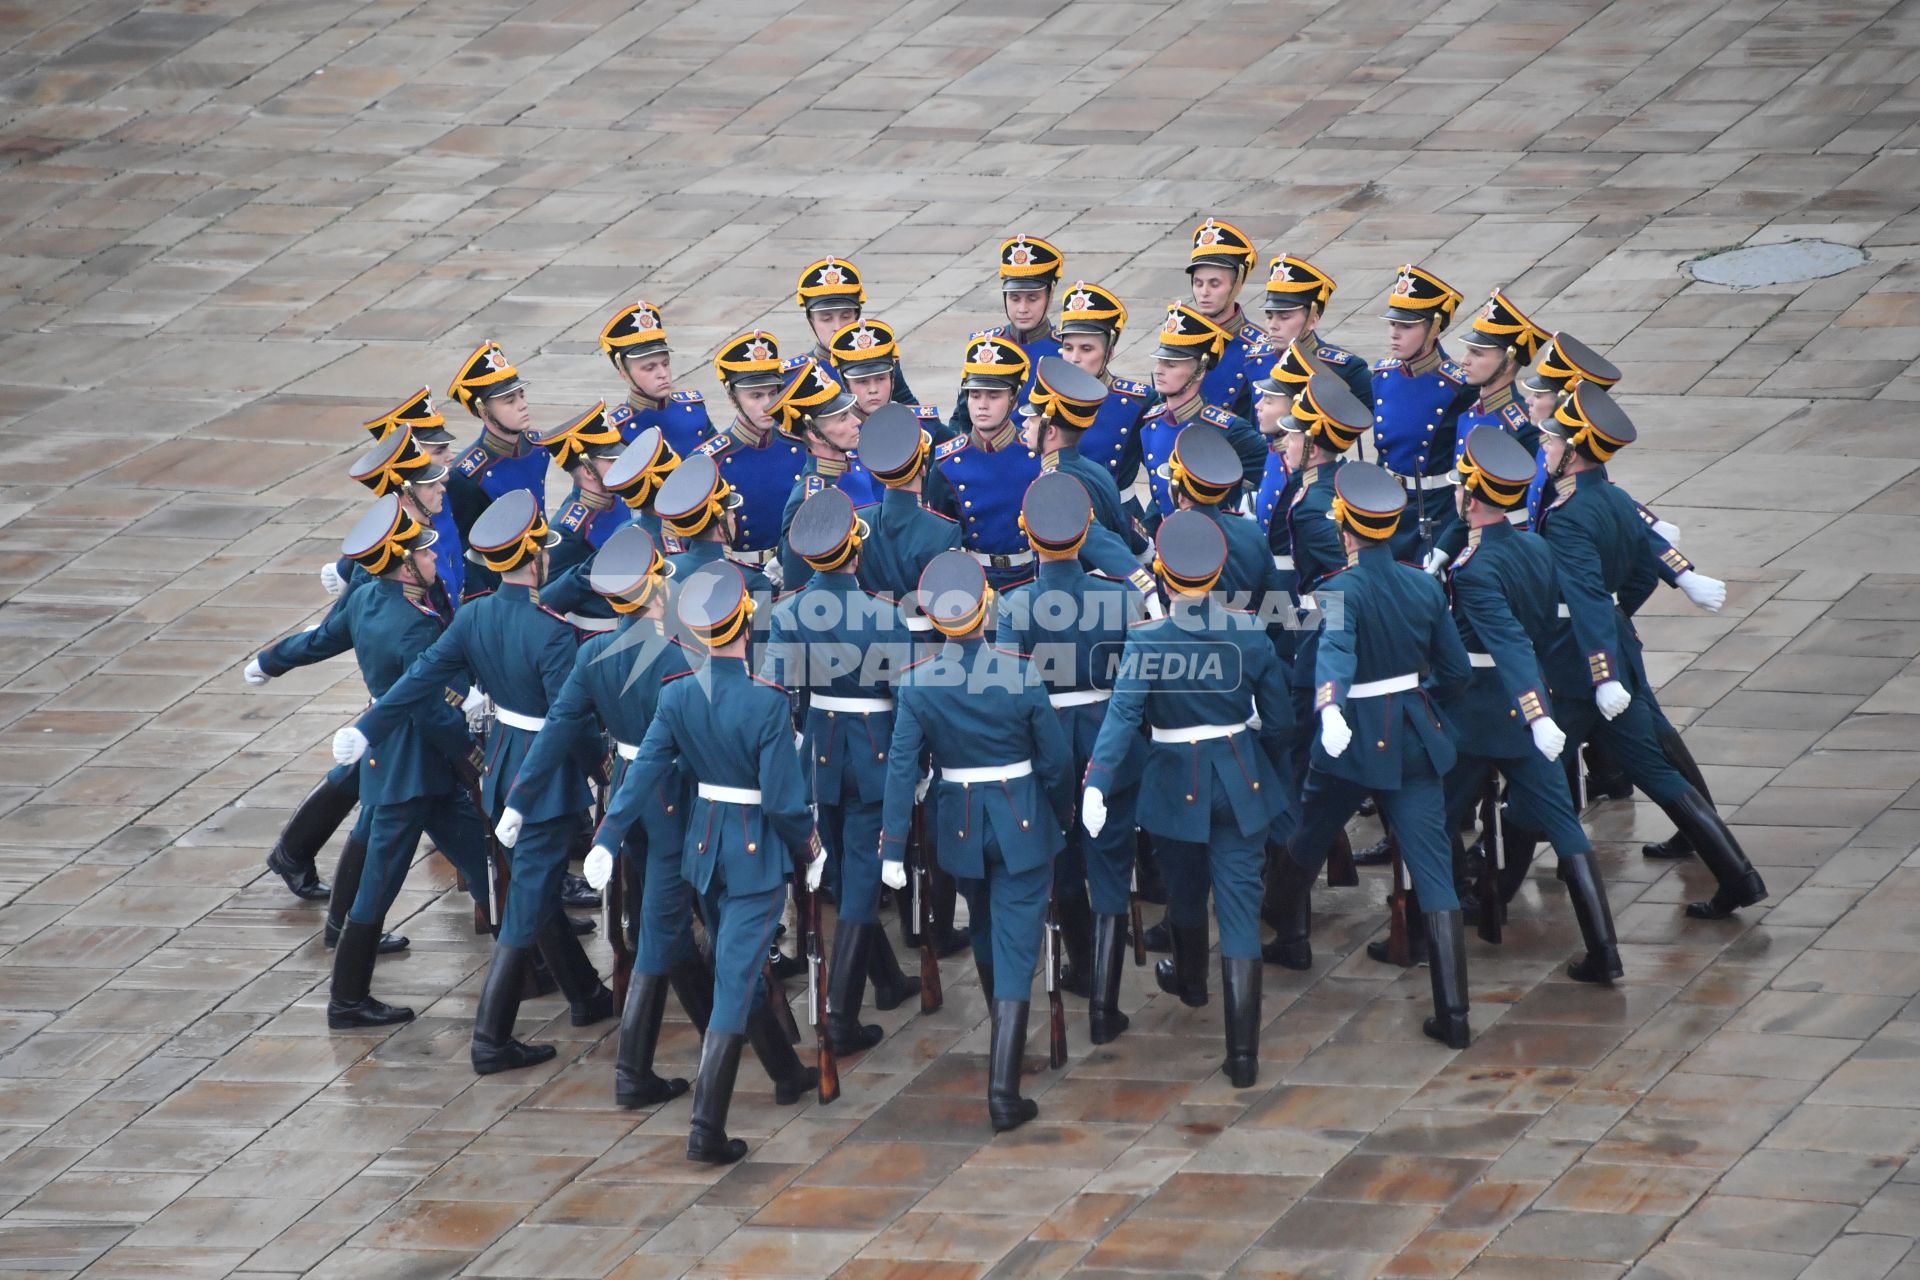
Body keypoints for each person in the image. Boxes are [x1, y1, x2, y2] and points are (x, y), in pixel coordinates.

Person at [333, 491, 616, 1073]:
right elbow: (572, 717)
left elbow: (415, 682)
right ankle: (493, 1037)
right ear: (535, 555)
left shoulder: (474, 613)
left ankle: (584, 992)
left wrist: (369, 727)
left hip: (503, 763)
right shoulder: (552, 630)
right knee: (524, 897)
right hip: (543, 772)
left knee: (524, 885)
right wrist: (603, 768)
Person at [588, 561, 825, 1164]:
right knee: (734, 977)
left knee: (735, 962)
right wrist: (811, 852)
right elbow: (784, 802)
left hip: (705, 848)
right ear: (746, 623)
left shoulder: (678, 694)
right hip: (752, 856)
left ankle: (785, 1071)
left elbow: (642, 773)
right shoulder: (767, 703)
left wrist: (609, 837)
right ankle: (706, 1129)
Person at [248, 495, 491, 1027]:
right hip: (413, 767)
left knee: (481, 855)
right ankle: (348, 1000)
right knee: (380, 882)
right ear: (404, 565)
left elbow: (321, 641)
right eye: (425, 553)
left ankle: (536, 952)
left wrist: (271, 660)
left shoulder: (367, 600)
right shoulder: (415, 625)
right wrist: (474, 750)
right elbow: (427, 708)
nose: (434, 559)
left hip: (397, 758)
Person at [1534, 384, 1767, 921]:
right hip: (1610, 651)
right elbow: (1639, 569)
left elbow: (1588, 599)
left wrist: (1602, 672)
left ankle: (1498, 884)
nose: (1544, 449)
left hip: (1579, 666)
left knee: (1534, 773)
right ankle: (1739, 878)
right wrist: (1623, 618)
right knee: (1658, 774)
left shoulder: (1568, 516)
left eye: (1551, 443)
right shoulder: (1613, 498)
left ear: (1574, 452)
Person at [1264, 463, 1476, 1048]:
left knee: (1306, 839)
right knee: (1433, 872)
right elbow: (1454, 673)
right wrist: (1419, 702)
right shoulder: (1422, 584)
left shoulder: (1336, 590)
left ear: (1346, 531)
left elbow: (1333, 652)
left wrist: (1330, 708)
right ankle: (1454, 1013)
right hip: (1411, 732)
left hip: (1351, 740)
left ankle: (1286, 932)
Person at [1082, 512, 1292, 1087]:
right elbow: (1278, 723)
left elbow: (1123, 717)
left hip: (1176, 781)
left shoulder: (1148, 640)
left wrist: (1097, 780)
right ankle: (1242, 1057)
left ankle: (1195, 984)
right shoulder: (1249, 631)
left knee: (1183, 893)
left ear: (1165, 578)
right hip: (1240, 777)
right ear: (1218, 573)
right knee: (1240, 909)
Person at [879, 551, 1072, 1130]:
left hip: (960, 825)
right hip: (1020, 820)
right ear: (986, 607)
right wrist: (1055, 817)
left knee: (987, 930)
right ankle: (1003, 1090)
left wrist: (891, 848)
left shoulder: (917, 684)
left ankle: (1001, 1032)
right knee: (1015, 947)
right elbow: (1057, 763)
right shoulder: (1020, 671)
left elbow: (900, 769)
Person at [1440, 427, 1622, 983]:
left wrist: (1537, 713)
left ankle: (1440, 927)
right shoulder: (1535, 546)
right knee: (1565, 826)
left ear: (1472, 498)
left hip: (1479, 714)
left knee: (1433, 820)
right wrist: (1537, 712)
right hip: (1527, 712)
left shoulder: (1473, 571)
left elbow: (1510, 645)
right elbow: (1539, 629)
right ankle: (1604, 949)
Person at [761, 487, 917, 1053]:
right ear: (855, 552)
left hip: (821, 752)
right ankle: (840, 1015)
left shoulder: (788, 611)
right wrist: (913, 765)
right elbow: (905, 699)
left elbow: (779, 695)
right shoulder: (883, 613)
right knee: (860, 880)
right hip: (875, 752)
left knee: (846, 871)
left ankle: (888, 980)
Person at [996, 473, 1142, 1040]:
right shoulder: (1120, 596)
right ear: (1086, 534)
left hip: (1048, 746)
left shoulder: (1013, 606)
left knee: (1065, 865)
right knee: (1110, 864)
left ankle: (1081, 966)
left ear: (1028, 537)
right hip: (1110, 742)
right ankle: (1104, 1006)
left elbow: (1013, 690)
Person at [1018, 356, 1157, 597]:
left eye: (1032, 419)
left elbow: (1099, 540)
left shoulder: (1056, 484)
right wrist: (1146, 551)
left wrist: (1145, 588)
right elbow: (1123, 521)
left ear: (1049, 431)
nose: (1025, 425)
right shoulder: (1093, 468)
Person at [1371, 266, 1475, 568]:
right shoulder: (1382, 376)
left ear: (1434, 327)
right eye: (1392, 324)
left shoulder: (1460, 387)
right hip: (1389, 505)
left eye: (1406, 326)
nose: (1394, 333)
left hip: (1436, 509)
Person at [930, 334, 1042, 593]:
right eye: (974, 395)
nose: (982, 405)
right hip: (974, 584)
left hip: (1030, 579)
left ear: (1013, 399)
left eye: (993, 396)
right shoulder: (947, 462)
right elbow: (941, 536)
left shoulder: (1035, 455)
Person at [1139, 303, 1266, 525]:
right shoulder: (1151, 423)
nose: (1159, 370)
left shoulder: (1228, 429)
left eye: (1171, 364)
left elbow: (1270, 474)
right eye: (1159, 362)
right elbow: (1160, 495)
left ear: (1199, 371)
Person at [696, 331, 806, 579]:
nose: (767, 404)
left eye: (773, 393)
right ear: (732, 397)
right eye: (756, 396)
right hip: (741, 577)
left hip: (797, 569)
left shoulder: (800, 445)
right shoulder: (711, 460)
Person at [773, 358, 880, 588]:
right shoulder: (810, 499)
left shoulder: (857, 464)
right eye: (843, 418)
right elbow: (800, 588)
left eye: (850, 413)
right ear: (813, 433)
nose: (855, 422)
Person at [949, 234, 1065, 434]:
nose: (1022, 308)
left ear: (1050, 294)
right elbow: (962, 418)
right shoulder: (986, 346)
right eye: (1014, 298)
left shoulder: (1065, 350)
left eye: (1033, 298)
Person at [535, 402, 630, 632]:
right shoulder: (567, 530)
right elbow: (542, 602)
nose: (624, 464)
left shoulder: (619, 499)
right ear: (588, 471)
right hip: (594, 637)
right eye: (613, 461)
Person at [1054, 281, 1154, 490]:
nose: (1074, 358)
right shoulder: (1044, 396)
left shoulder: (1136, 401)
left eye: (1087, 349)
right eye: (1068, 348)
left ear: (1109, 353)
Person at [1257, 254, 1372, 415]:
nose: (1273, 325)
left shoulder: (1343, 368)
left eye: (1284, 317)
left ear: (1312, 321)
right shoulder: (1257, 360)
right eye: (1269, 316)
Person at [797, 257, 919, 406]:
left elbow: (911, 408)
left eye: (846, 316)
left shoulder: (881, 355)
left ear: (857, 315)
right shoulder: (800, 374)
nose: (837, 326)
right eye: (826, 319)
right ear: (811, 321)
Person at [599, 301, 714, 458]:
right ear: (624, 373)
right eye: (649, 368)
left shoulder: (694, 408)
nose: (663, 373)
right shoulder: (616, 431)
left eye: (665, 364)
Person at [449, 340, 549, 514]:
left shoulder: (537, 446)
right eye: (510, 401)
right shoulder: (467, 477)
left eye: (521, 395)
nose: (522, 405)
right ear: (483, 410)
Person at [1184, 217, 1267, 421]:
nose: (1204, 292)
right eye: (1198, 283)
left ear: (1236, 285)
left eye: (1214, 284)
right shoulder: (1180, 337)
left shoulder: (1260, 347)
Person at [826, 317, 945, 441]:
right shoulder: (836, 436)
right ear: (847, 385)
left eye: (880, 379)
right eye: (862, 381)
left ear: (892, 380)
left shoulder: (921, 425)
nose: (873, 389)